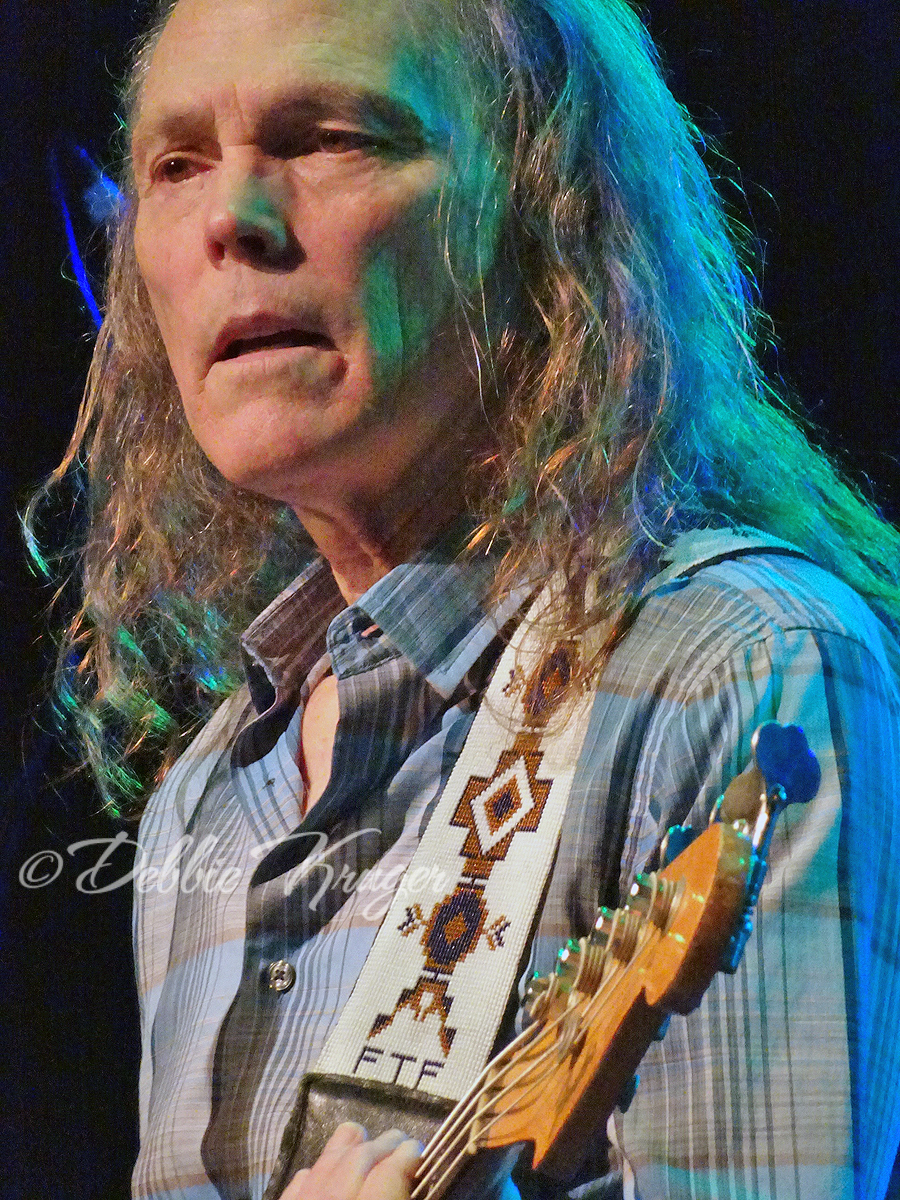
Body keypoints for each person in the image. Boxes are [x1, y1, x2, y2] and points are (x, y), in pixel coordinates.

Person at [30, 0, 900, 1196]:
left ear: (546, 216)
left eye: (332, 137)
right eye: (176, 165)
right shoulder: (208, 792)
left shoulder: (735, 669)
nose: (230, 217)